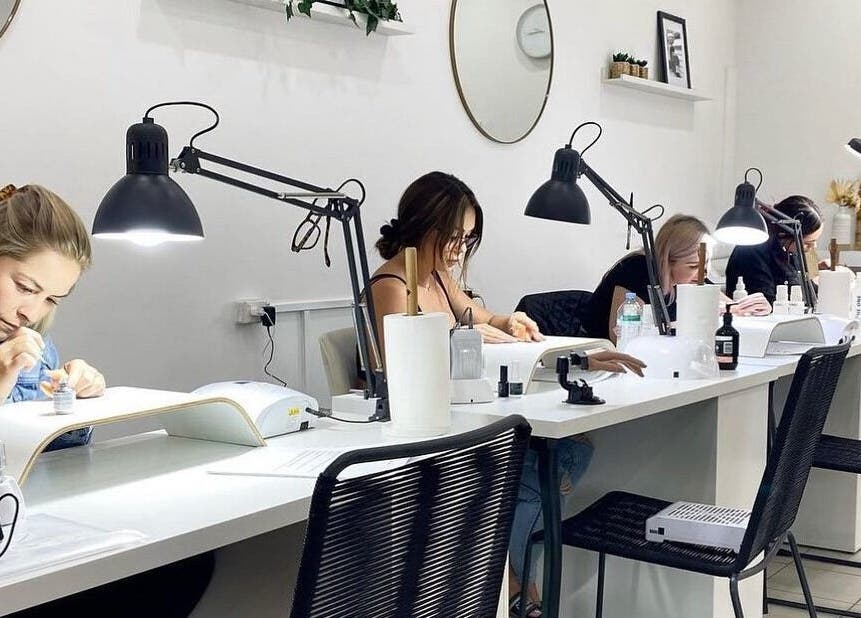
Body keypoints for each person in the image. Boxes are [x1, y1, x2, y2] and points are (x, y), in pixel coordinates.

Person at [368, 171, 646, 618]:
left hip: (472, 412)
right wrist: (467, 332)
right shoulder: (393, 283)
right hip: (433, 426)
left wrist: (505, 322)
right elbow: (403, 355)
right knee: (541, 463)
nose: (460, 249)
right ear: (425, 225)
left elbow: (480, 315)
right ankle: (517, 586)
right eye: (454, 236)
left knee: (569, 451)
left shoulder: (438, 277)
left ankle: (511, 578)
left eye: (468, 238)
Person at [0, 184, 212, 618]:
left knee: (187, 565)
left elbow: (55, 460)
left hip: (28, 532)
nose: (32, 313)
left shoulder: (34, 344)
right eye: (25, 287)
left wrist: (74, 404)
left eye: (51, 299)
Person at [580, 214, 771, 343]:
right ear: (667, 260)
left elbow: (729, 307)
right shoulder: (635, 270)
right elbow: (622, 338)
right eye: (693, 266)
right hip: (600, 360)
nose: (701, 275)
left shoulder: (690, 278)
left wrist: (747, 307)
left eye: (705, 266)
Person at [725, 195, 823, 304]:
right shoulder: (752, 251)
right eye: (807, 243)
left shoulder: (788, 250)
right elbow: (765, 300)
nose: (813, 247)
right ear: (785, 233)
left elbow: (802, 289)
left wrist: (825, 279)